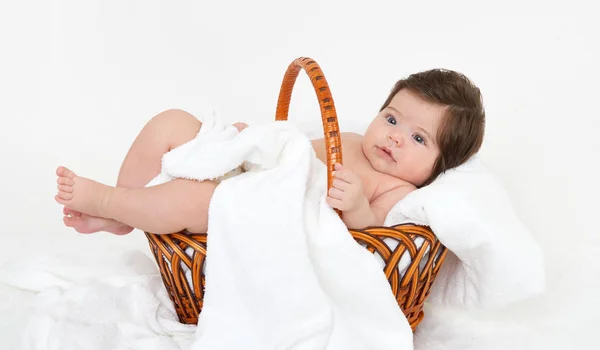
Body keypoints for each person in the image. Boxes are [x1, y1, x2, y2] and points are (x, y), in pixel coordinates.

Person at [55, 69, 485, 233]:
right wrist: (249, 141)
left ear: (439, 166)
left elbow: (374, 238)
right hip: (246, 173)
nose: (394, 137)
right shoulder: (351, 140)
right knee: (170, 121)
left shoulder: (396, 189)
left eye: (418, 138)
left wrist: (356, 207)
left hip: (254, 208)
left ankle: (109, 201)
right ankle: (122, 216)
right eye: (392, 119)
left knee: (202, 199)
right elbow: (286, 147)